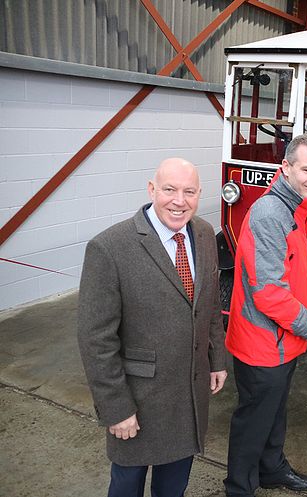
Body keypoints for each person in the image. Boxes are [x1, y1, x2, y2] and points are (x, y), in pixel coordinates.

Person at [77, 158, 228, 497]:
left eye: (189, 192)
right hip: (140, 402)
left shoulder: (203, 234)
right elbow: (95, 340)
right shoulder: (110, 248)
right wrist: (117, 409)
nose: (179, 200)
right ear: (151, 190)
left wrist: (216, 359)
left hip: (189, 395)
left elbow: (209, 305)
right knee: (127, 487)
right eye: (170, 190)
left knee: (173, 487)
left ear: (199, 193)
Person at [224, 134, 307, 497]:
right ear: (285, 168)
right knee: (253, 421)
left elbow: (301, 270)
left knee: (274, 414)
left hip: (283, 341)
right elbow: (269, 294)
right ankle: (239, 488)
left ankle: (271, 469)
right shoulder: (271, 214)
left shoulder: (300, 209)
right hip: (262, 343)